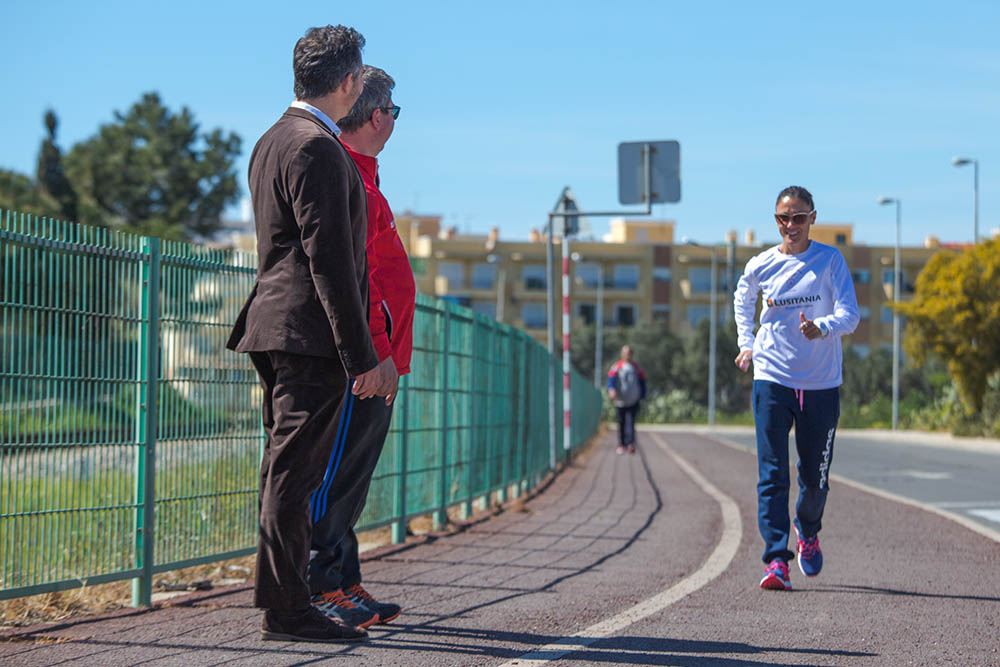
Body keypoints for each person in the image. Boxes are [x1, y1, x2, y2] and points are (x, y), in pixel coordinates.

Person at [226, 25, 397, 643]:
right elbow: (331, 261)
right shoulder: (317, 148)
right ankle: (287, 608)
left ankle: (286, 600)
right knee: (294, 473)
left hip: (279, 326)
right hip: (308, 334)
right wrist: (363, 357)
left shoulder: (273, 140)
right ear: (350, 82)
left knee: (285, 469)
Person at [307, 65, 413, 629]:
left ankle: (344, 583)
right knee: (333, 477)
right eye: (394, 111)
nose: (394, 120)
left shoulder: (365, 177)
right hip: (367, 363)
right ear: (378, 117)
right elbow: (359, 279)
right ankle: (321, 589)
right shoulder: (352, 177)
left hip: (380, 358)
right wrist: (373, 355)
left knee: (351, 480)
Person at [733, 185, 860, 591]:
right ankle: (775, 560)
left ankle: (807, 530)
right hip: (771, 376)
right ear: (776, 221)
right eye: (784, 218)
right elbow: (742, 296)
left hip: (820, 384)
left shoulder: (829, 260)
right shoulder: (761, 264)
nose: (791, 225)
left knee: (814, 480)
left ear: (812, 219)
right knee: (772, 474)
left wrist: (820, 327)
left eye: (799, 217)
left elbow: (850, 315)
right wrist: (746, 342)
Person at [607, 345, 646, 455]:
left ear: (632, 354)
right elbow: (610, 380)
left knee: (631, 422)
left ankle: (631, 444)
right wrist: (611, 390)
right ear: (622, 354)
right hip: (620, 400)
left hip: (633, 399)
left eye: (629, 353)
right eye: (625, 353)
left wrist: (642, 395)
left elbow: (642, 382)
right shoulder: (617, 366)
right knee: (621, 423)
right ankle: (621, 444)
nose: (627, 355)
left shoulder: (636, 367)